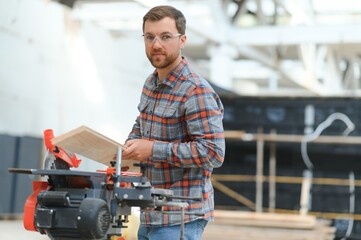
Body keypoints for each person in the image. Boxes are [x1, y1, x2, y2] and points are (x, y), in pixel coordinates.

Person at [122, 5, 225, 240]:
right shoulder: (151, 84)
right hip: (150, 213)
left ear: (182, 40)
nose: (156, 44)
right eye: (149, 37)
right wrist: (130, 146)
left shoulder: (195, 90)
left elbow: (213, 153)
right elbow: (141, 124)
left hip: (181, 217)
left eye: (165, 36)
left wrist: (152, 149)